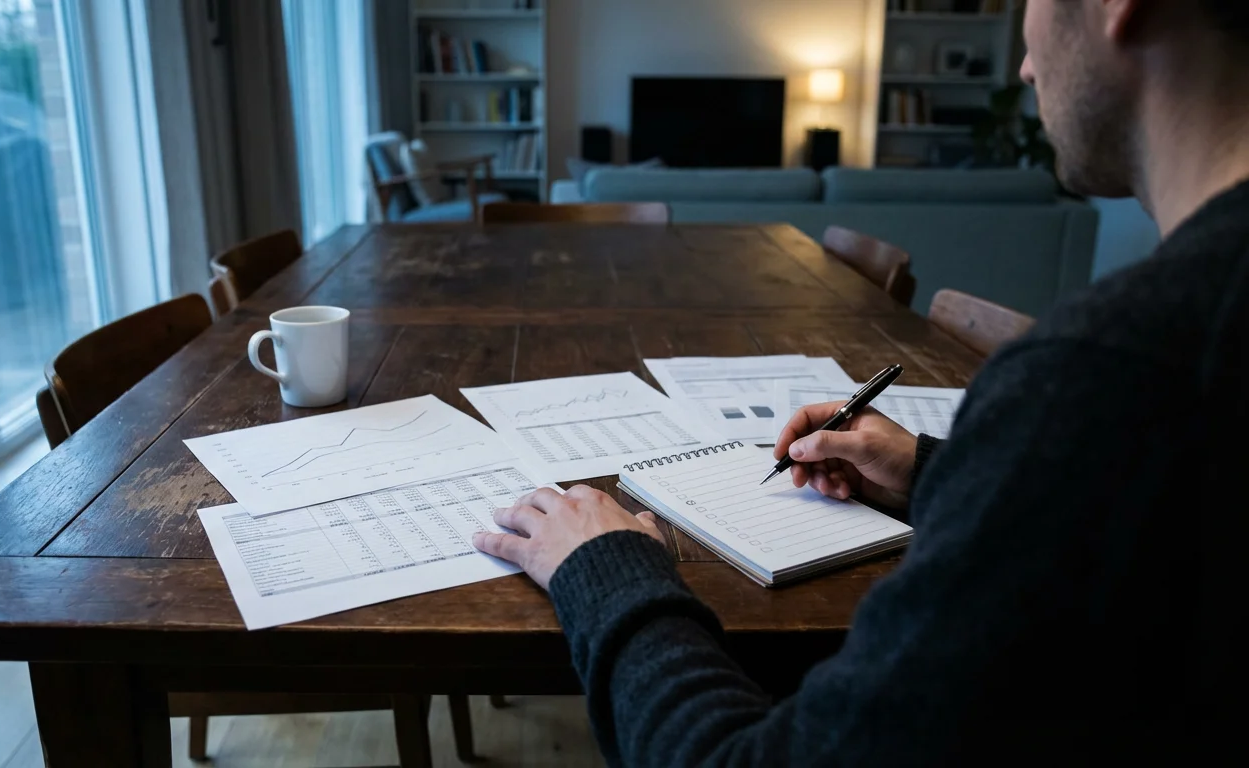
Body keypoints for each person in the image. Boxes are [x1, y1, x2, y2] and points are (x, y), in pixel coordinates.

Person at [474, 0, 1249, 763]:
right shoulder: (1154, 377)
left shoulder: (1107, 377)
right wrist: (934, 472)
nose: (1023, 61)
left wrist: (606, 566)